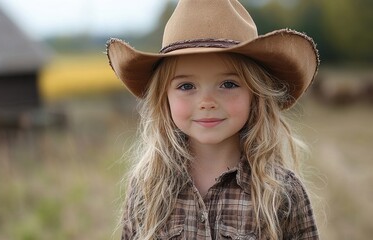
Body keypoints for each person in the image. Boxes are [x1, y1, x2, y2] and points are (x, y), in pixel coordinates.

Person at [106, 0, 320, 239]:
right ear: (163, 97)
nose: (206, 101)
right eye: (186, 86)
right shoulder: (148, 187)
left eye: (228, 84)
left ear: (255, 94)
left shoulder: (281, 192)